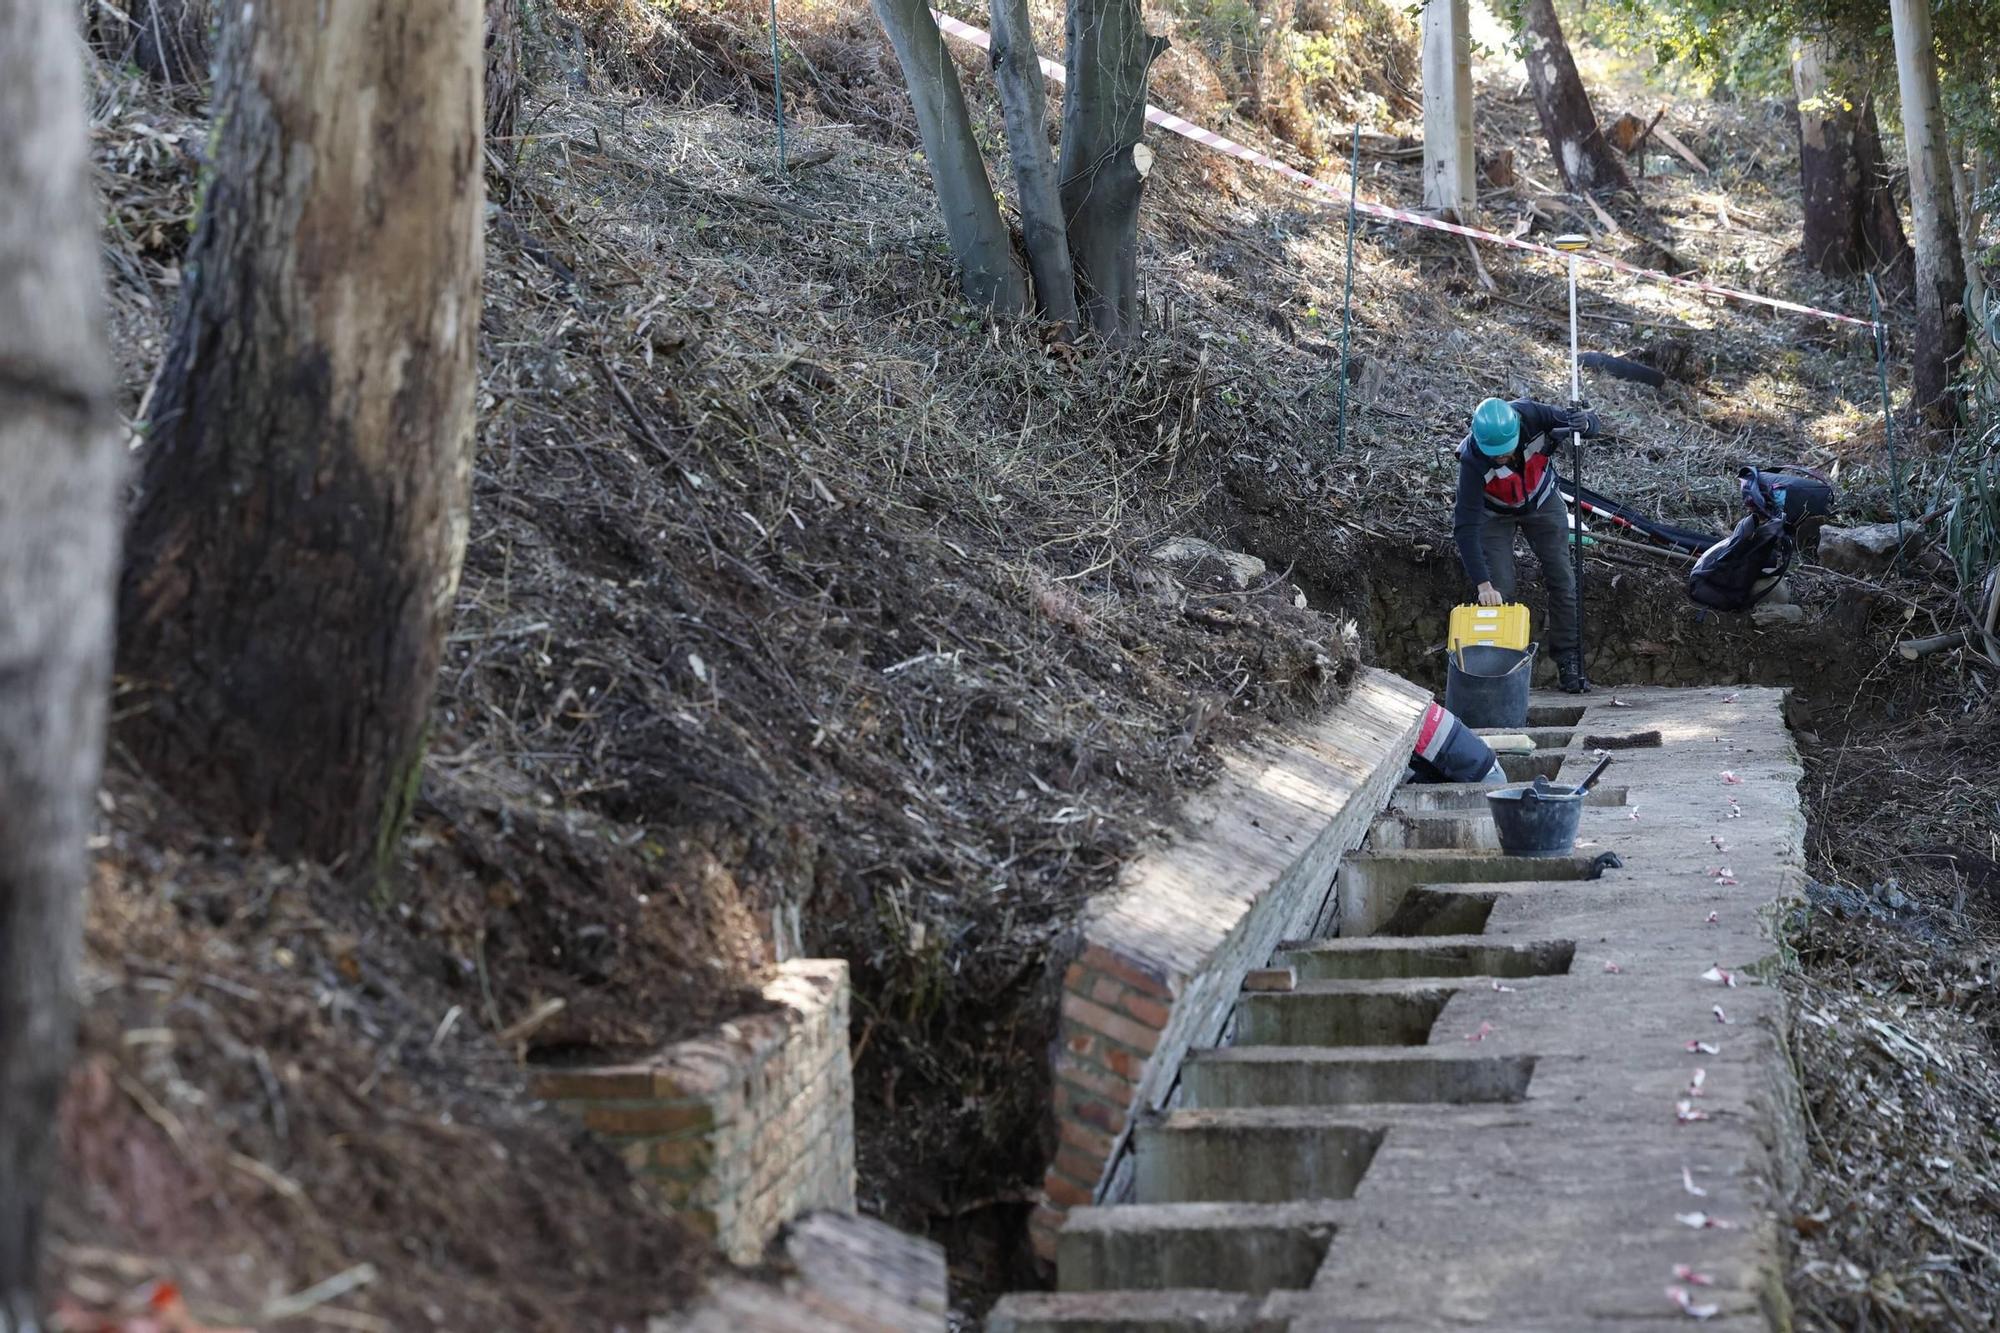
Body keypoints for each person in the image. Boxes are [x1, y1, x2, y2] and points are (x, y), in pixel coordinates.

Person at [1452, 396, 1601, 694]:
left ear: (1517, 431)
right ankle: (1500, 671)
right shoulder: (1472, 459)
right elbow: (1465, 528)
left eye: (1504, 453)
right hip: (1494, 515)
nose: (1500, 459)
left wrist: (1586, 424)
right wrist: (1483, 584)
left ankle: (1569, 661)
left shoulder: (1534, 416)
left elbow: (1589, 424)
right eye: (1493, 455)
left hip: (1544, 501)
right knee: (1500, 590)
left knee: (1562, 579)